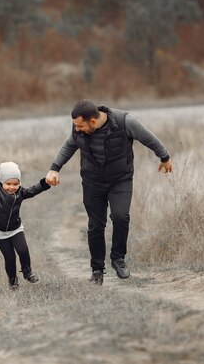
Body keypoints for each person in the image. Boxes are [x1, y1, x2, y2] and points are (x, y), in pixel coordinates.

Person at [45, 100, 173, 285]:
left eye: (80, 126)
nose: (77, 130)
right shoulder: (78, 128)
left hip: (120, 180)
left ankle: (118, 259)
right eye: (75, 126)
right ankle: (97, 271)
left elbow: (149, 138)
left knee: (120, 216)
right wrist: (54, 168)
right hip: (92, 182)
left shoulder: (124, 122)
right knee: (96, 226)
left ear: (93, 122)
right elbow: (68, 146)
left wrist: (165, 157)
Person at [0, 155, 51, 290]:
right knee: (10, 258)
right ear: (1, 182)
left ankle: (27, 273)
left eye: (16, 184)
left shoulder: (20, 192)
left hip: (15, 228)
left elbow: (33, 190)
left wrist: (45, 183)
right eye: (8, 184)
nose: (12, 187)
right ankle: (13, 282)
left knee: (23, 250)